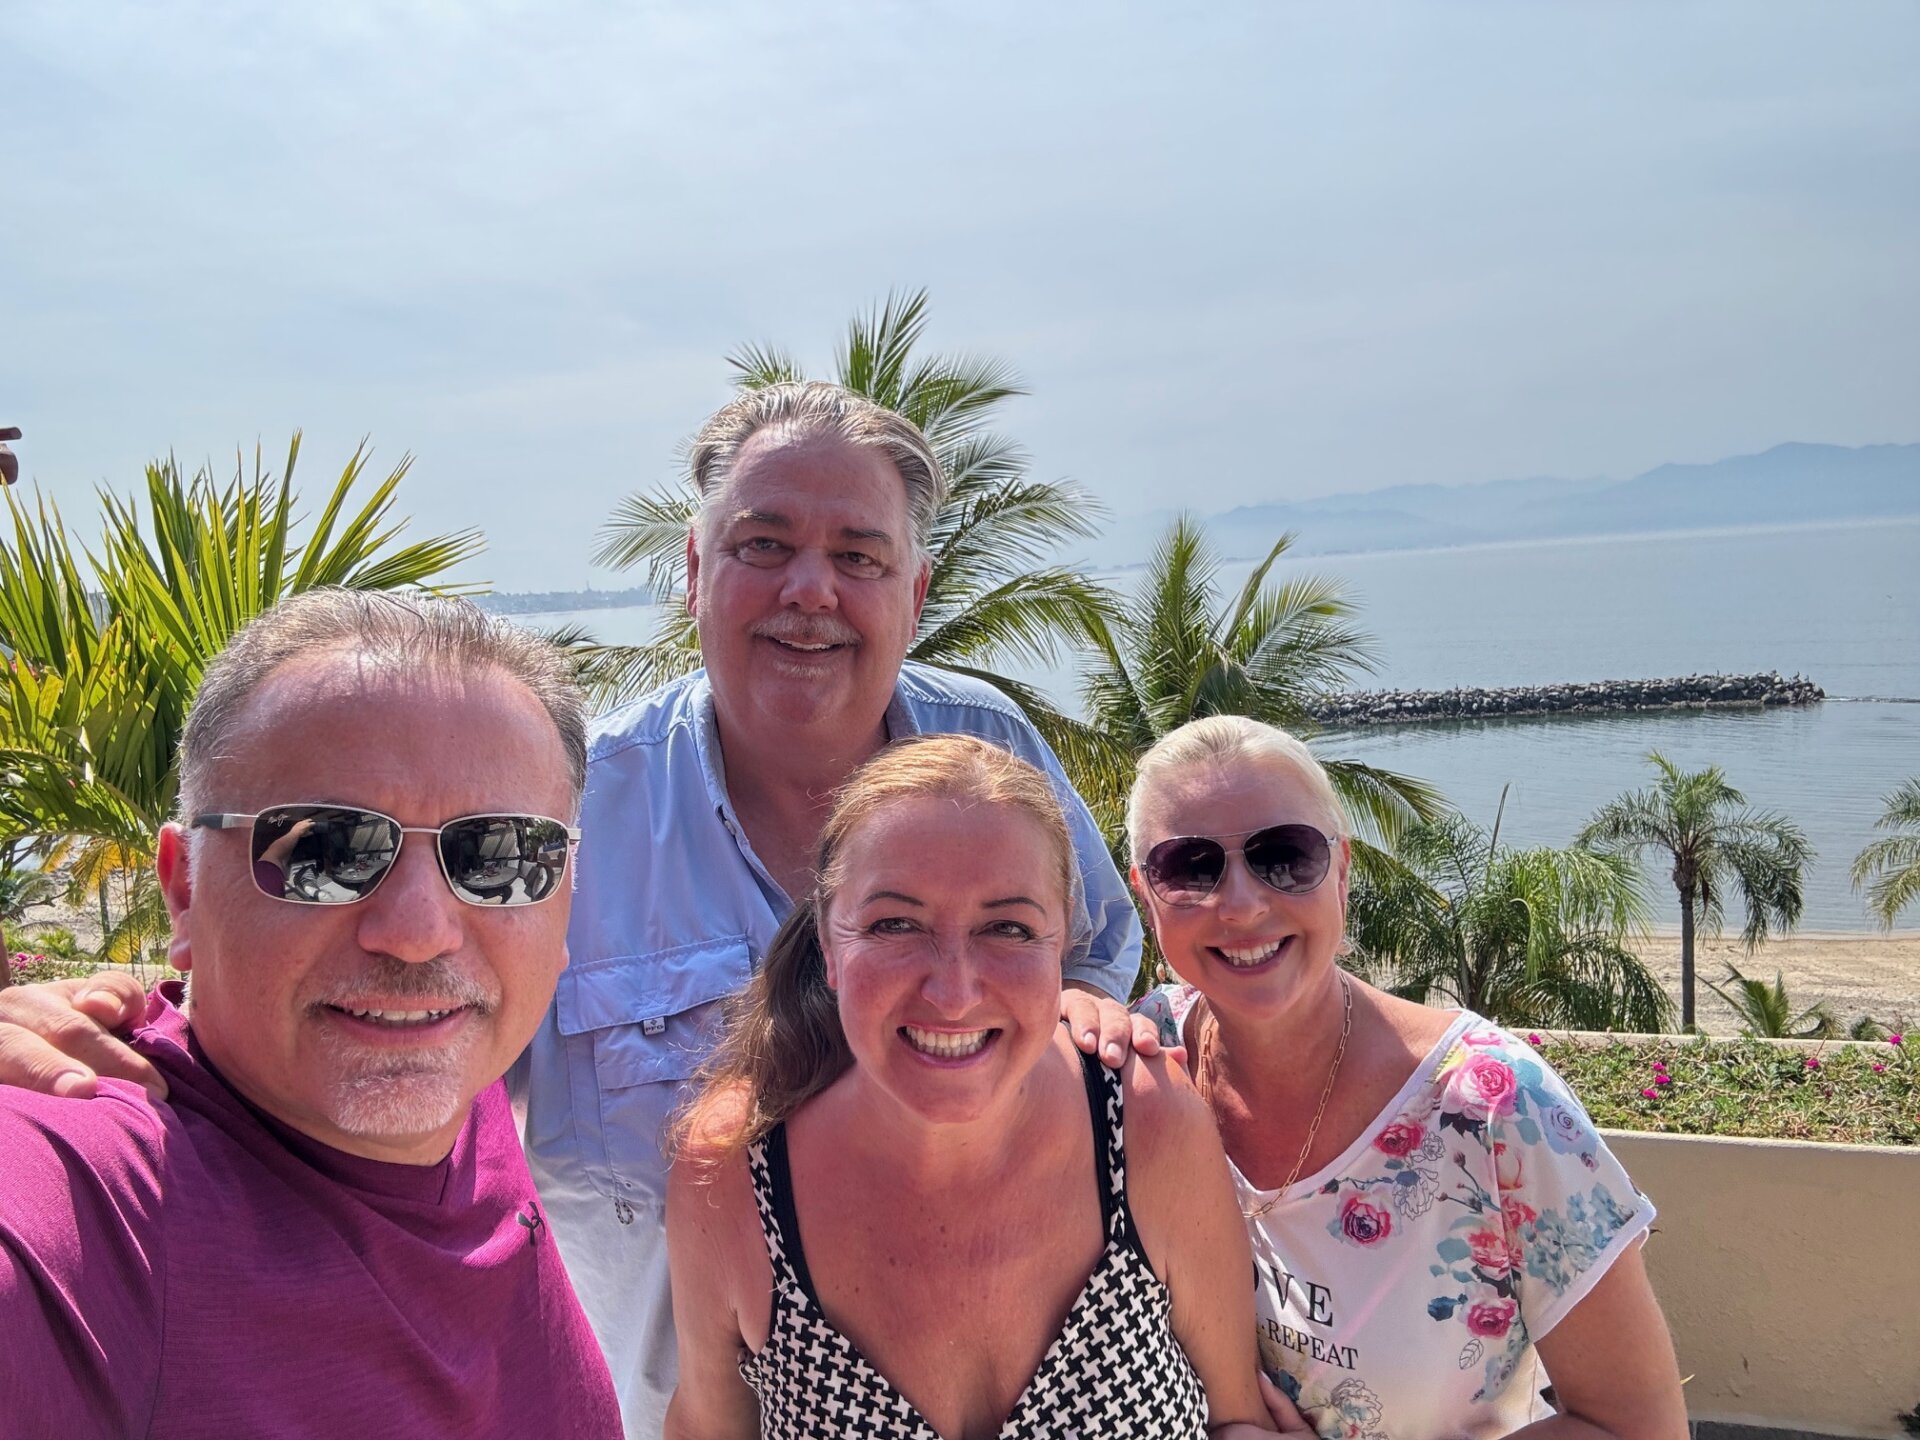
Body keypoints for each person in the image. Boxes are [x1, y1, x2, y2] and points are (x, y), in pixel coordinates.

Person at [0, 382, 1148, 1436]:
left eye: (858, 554)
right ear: (694, 571)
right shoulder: (560, 807)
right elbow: (330, 1041)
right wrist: (85, 1019)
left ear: (917, 591)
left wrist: (1073, 1028)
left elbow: (1094, 961)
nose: (811, 589)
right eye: (764, 546)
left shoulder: (993, 747)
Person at [0, 591, 623, 1438]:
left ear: (564, 901)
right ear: (184, 890)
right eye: (323, 850)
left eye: (498, 857)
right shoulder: (100, 1209)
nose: (416, 934)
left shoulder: (448, 1080)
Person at [666, 735, 1272, 1440]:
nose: (953, 992)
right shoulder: (733, 1173)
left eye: (1007, 928)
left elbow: (1237, 1418)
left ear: (1061, 950)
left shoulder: (1148, 1123)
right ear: (830, 949)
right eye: (896, 924)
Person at [1128, 716, 1689, 1440]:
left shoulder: (1493, 1106)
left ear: (1342, 872)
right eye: (1191, 868)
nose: (1240, 903)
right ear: (1147, 893)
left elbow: (1639, 1428)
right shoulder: (1148, 1063)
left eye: (1285, 856)